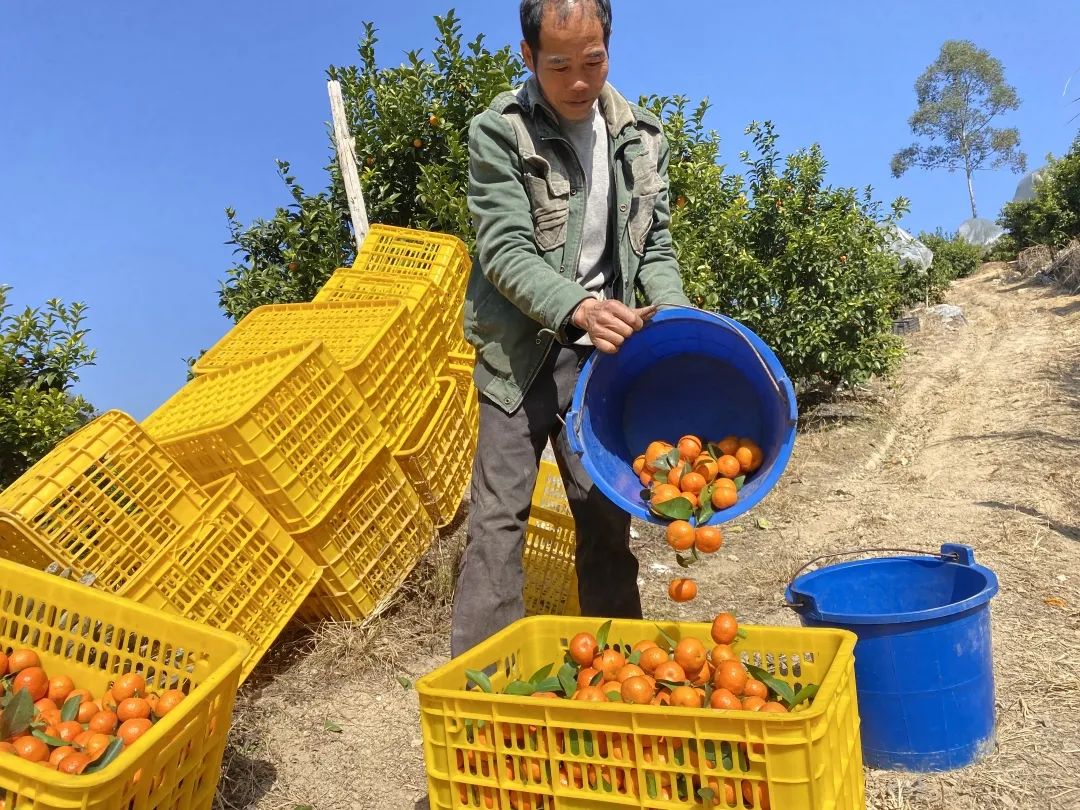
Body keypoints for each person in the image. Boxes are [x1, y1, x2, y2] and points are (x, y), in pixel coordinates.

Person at [450, 0, 691, 657]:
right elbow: (503, 250)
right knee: (499, 522)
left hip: (601, 358)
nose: (579, 81)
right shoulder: (501, 133)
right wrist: (577, 306)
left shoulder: (642, 137)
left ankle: (620, 677)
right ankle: (480, 688)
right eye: (559, 66)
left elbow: (656, 249)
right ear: (527, 58)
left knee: (605, 519)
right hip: (519, 355)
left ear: (608, 49)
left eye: (593, 61)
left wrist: (676, 317)